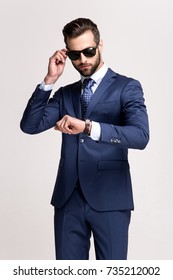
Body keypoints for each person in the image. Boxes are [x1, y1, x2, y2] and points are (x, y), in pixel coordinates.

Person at [20, 18, 149, 260]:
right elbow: (30, 125)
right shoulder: (65, 94)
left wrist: (88, 127)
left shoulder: (127, 87)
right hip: (68, 199)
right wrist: (49, 81)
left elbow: (140, 136)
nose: (83, 60)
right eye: (75, 55)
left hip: (110, 198)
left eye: (88, 51)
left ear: (100, 46)